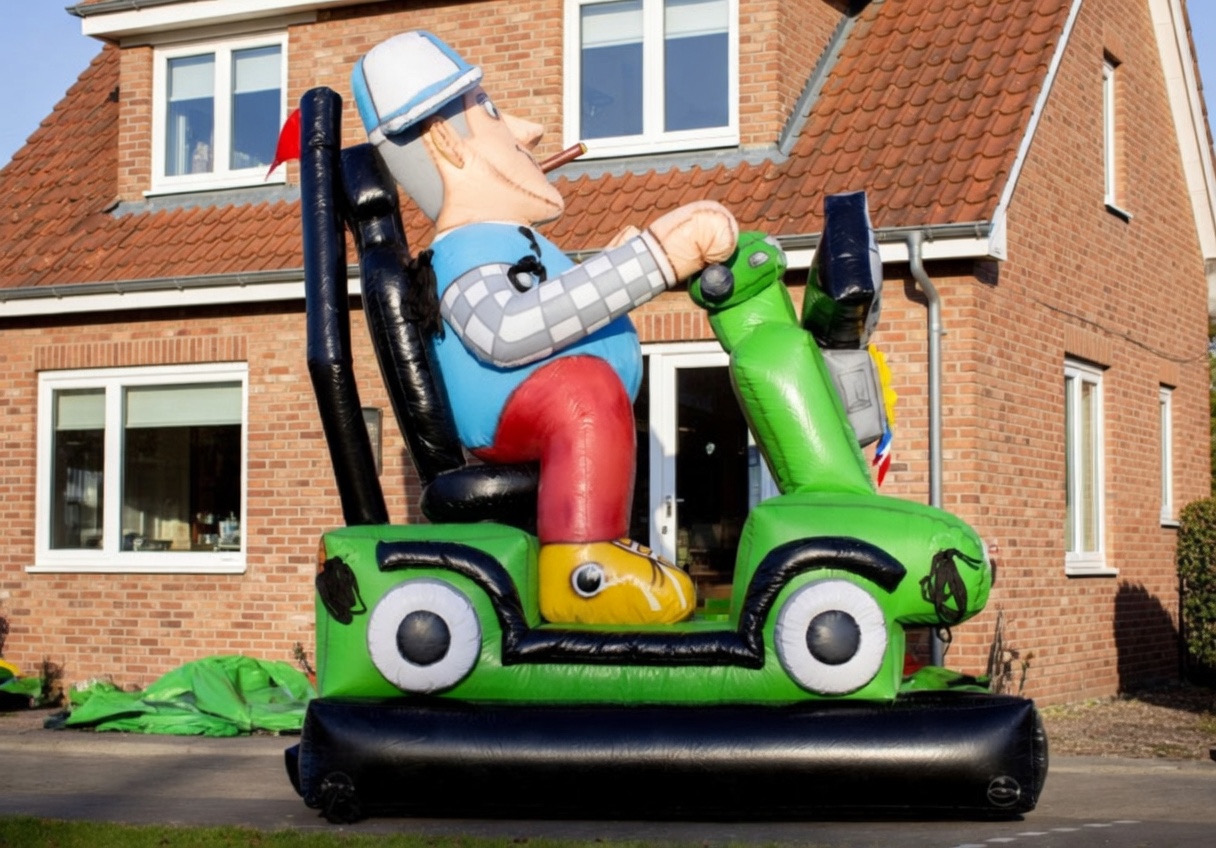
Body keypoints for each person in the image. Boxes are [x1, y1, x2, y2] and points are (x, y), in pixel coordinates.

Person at [352, 31, 738, 625]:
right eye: (491, 112)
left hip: (541, 413)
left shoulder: (505, 239)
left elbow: (545, 300)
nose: (528, 132)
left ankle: (598, 544)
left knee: (586, 392)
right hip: (518, 418)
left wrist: (614, 266)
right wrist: (653, 260)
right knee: (582, 391)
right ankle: (581, 570)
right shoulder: (466, 251)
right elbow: (505, 331)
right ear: (445, 141)